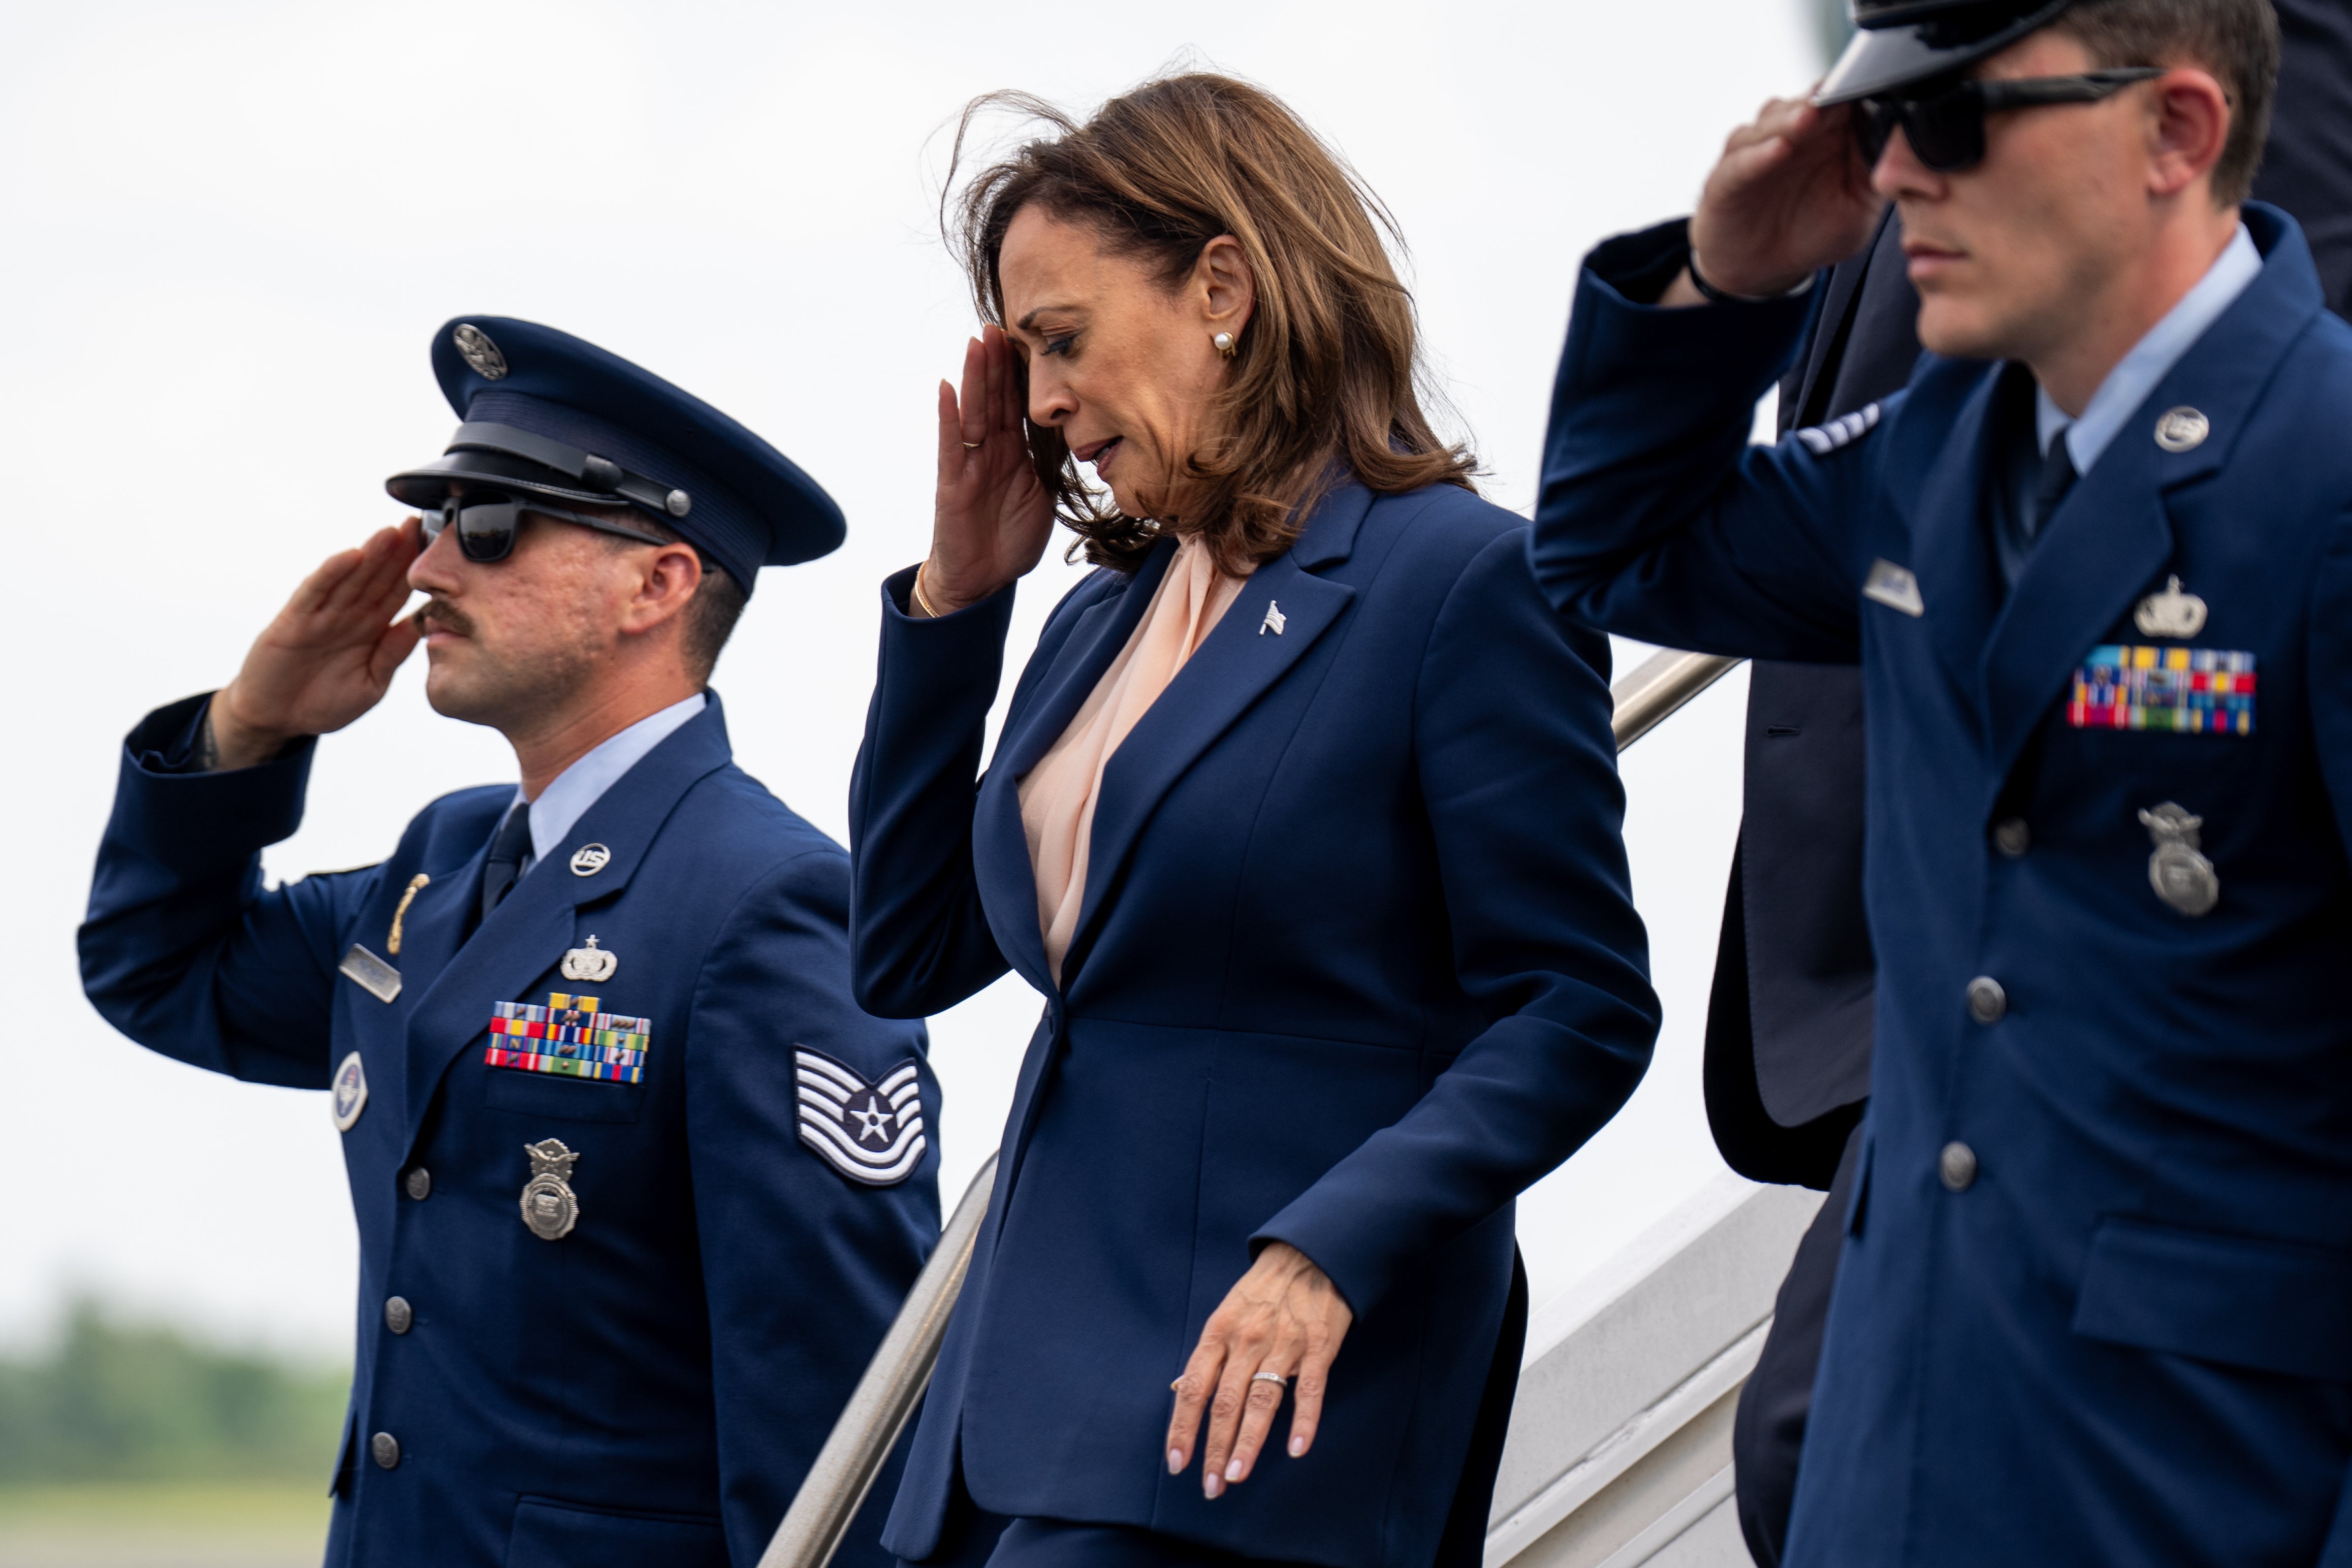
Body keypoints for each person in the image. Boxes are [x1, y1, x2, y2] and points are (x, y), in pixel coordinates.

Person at [1531, 0, 2352, 1559]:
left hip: (2188, 1483)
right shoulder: (1925, 455)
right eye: (1876, 119)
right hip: (1900, 1459)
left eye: (1955, 121)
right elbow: (1606, 547)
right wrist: (1721, 282)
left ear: (2175, 133)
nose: (1897, 172)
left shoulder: (2318, 476)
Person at [847, 74, 1660, 1568]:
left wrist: (1325, 1245)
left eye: (1063, 342)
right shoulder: (1099, 624)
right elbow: (902, 955)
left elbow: (1575, 1009)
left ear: (1221, 283)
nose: (1038, 406)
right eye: (1025, 360)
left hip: (1245, 1419)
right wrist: (958, 603)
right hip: (1007, 1422)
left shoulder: (1458, 583)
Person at [78, 318, 940, 1568]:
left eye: (487, 529)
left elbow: (839, 1407)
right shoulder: (444, 862)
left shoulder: (770, 901)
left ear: (659, 584)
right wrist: (247, 727)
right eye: (437, 523)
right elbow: (161, 972)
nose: (429, 566)